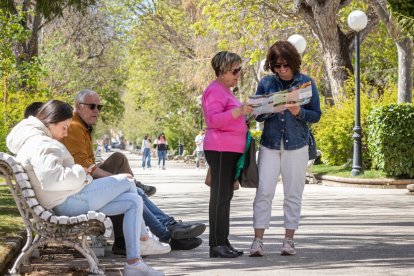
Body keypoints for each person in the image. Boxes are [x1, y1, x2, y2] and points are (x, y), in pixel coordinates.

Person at [6, 100, 164, 276]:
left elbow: (52, 177)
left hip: (65, 199)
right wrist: (81, 173)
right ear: (51, 122)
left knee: (133, 201)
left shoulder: (35, 140)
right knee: (127, 181)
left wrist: (81, 174)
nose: (65, 133)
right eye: (64, 127)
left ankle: (134, 262)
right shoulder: (43, 144)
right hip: (67, 202)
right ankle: (143, 238)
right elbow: (53, 181)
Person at [61, 89, 206, 255]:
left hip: (80, 183)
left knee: (119, 162)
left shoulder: (81, 126)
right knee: (131, 189)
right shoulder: (74, 126)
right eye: (92, 106)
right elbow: (83, 165)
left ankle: (157, 229)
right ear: (78, 107)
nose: (96, 111)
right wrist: (116, 179)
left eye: (99, 107)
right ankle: (167, 230)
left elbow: (84, 163)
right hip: (78, 189)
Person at [249, 41, 321, 257]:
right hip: (270, 144)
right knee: (264, 192)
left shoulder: (306, 82)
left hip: (297, 145)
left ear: (293, 63)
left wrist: (299, 112)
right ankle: (258, 241)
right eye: (277, 66)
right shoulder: (267, 83)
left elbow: (316, 115)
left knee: (293, 193)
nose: (281, 69)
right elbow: (256, 114)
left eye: (285, 65)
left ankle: (289, 240)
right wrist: (268, 109)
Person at [202, 51, 253, 258]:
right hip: (220, 149)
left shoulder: (226, 91)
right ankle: (216, 244)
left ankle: (223, 241)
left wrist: (243, 116)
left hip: (230, 150)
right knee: (220, 197)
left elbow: (229, 117)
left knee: (226, 197)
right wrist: (239, 112)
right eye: (235, 70)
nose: (238, 74)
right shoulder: (215, 90)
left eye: (240, 70)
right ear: (222, 70)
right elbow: (213, 120)